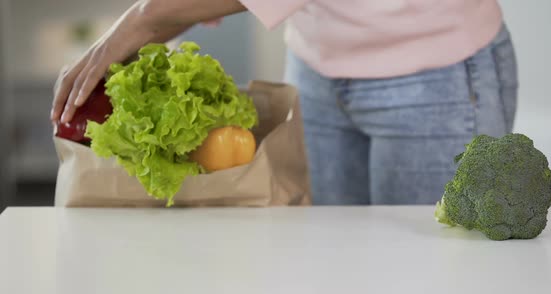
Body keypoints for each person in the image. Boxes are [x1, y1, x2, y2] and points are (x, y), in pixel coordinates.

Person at [51, 0, 518, 206]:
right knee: (339, 272)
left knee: (435, 281)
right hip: (316, 69)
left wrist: (143, 19)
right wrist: (138, 38)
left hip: (432, 74)